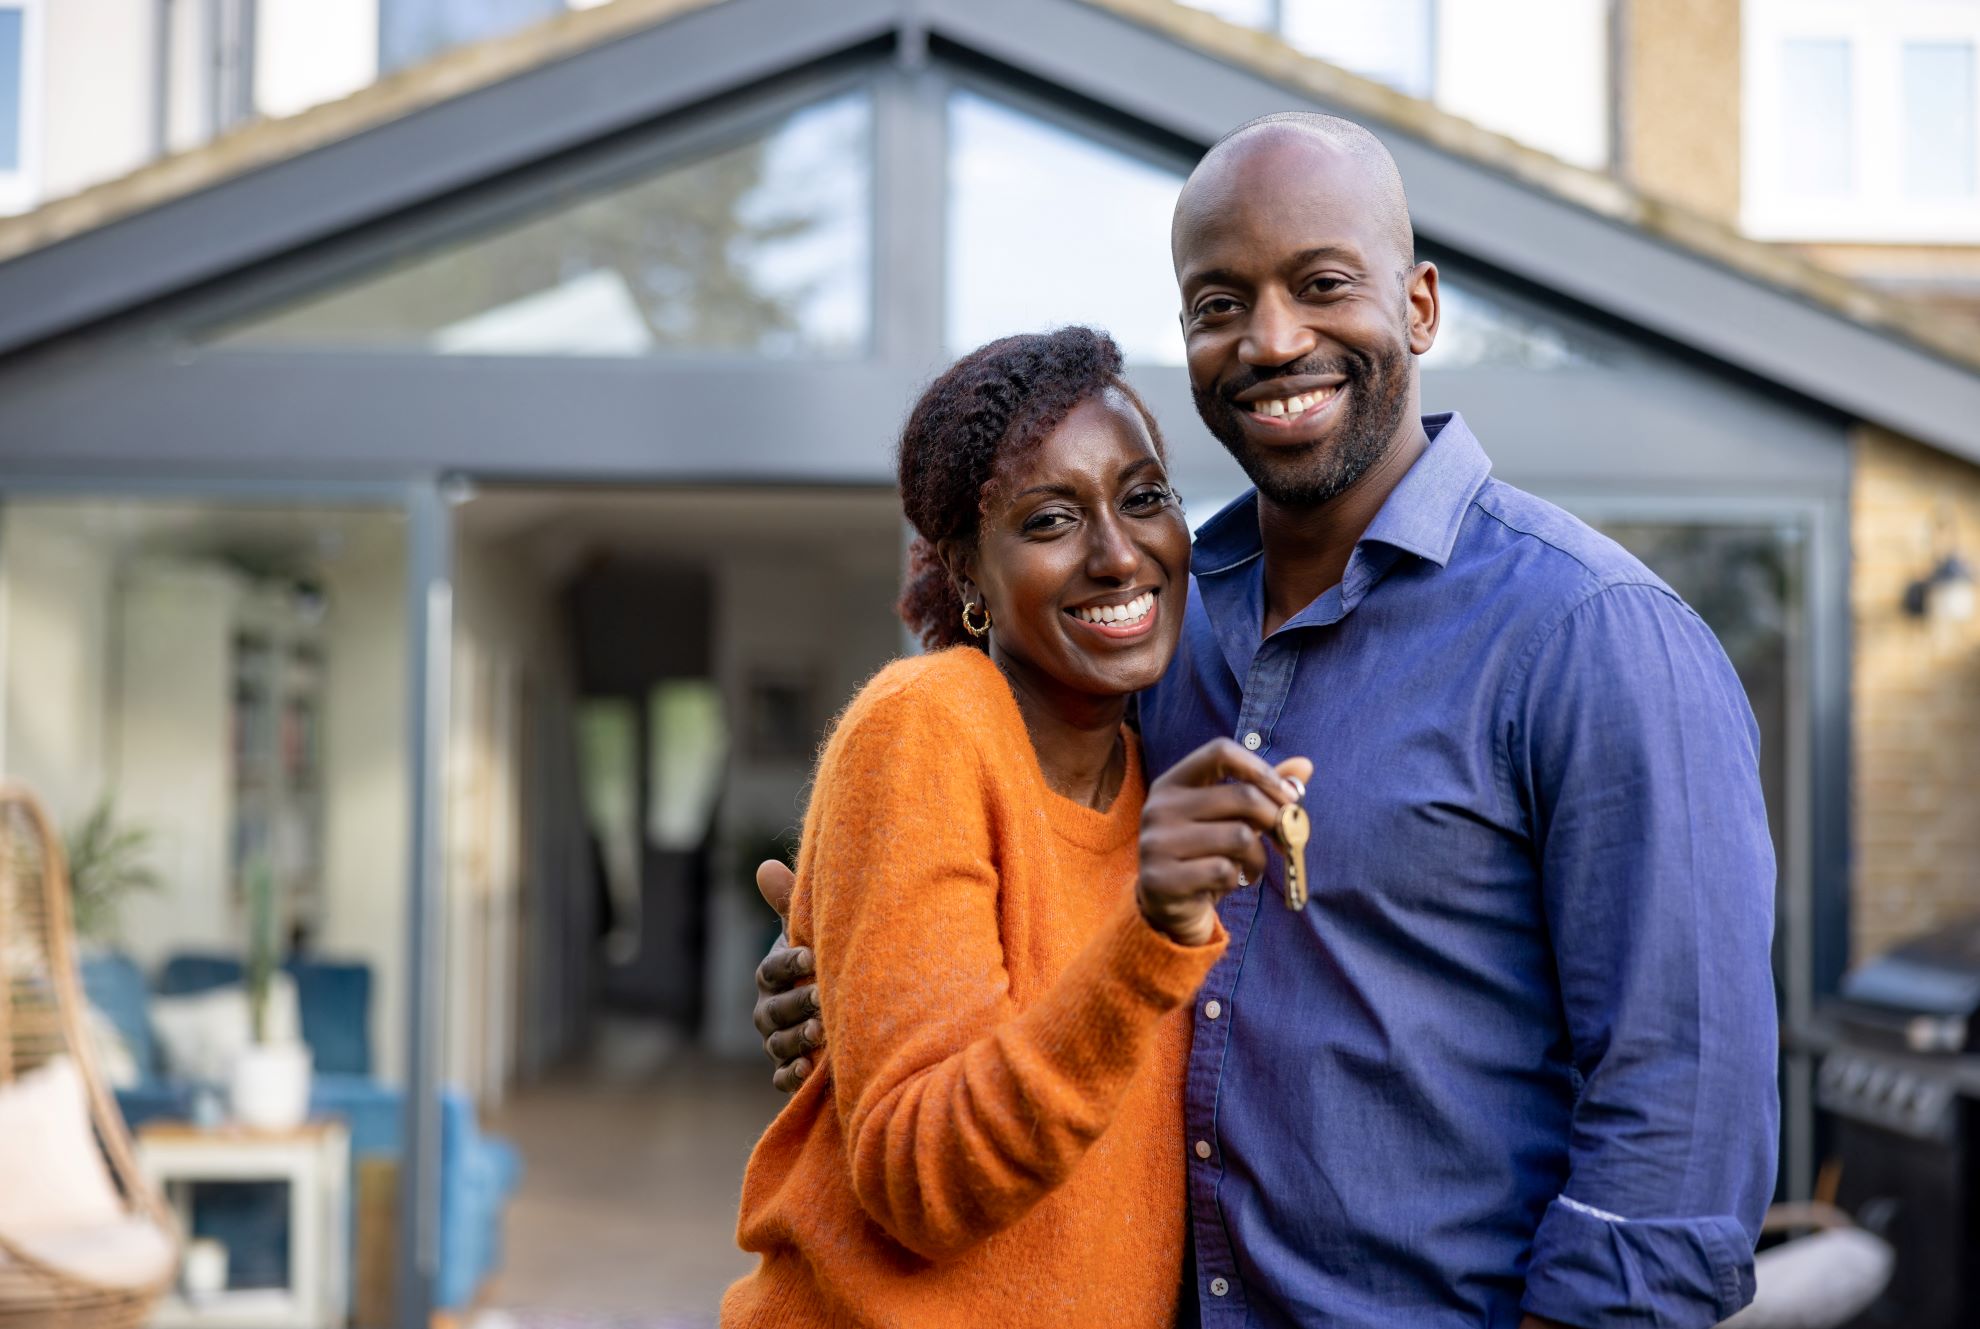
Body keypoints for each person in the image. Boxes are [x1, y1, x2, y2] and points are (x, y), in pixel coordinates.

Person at [754, 113, 1779, 1329]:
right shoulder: (1160, 639)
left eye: (1323, 284)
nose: (1273, 339)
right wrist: (857, 983)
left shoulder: (1593, 636)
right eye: (1219, 302)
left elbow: (1680, 1114)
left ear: (1421, 308)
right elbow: (1035, 937)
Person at [722, 326, 1314, 1328]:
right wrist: (1151, 937)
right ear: (966, 572)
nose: (1119, 553)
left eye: (1144, 499)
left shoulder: (1153, 768)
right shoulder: (926, 725)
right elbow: (924, 1179)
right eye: (1050, 520)